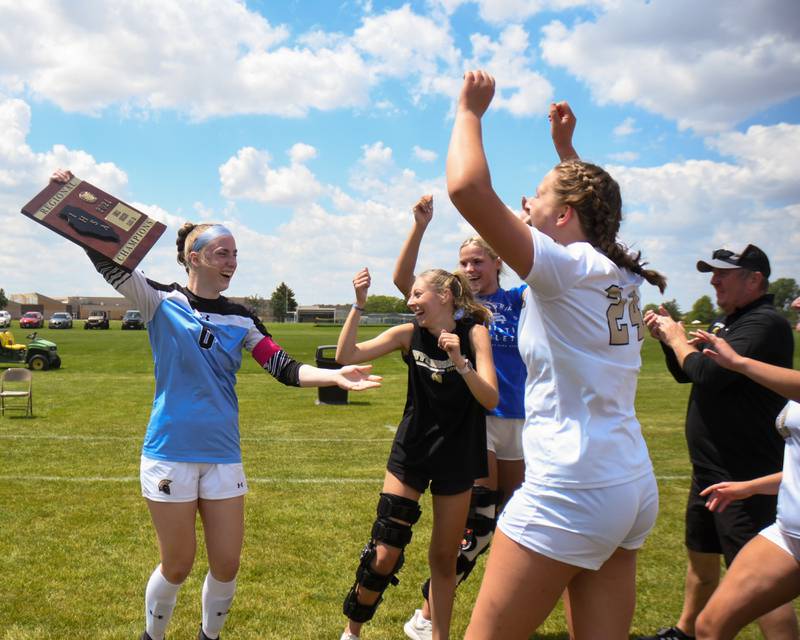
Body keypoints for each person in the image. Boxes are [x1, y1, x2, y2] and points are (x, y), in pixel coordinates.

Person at [48, 169, 381, 640]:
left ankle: (209, 637)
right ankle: (153, 636)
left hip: (223, 454)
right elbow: (109, 259)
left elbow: (283, 366)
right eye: (223, 253)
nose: (232, 262)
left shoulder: (241, 318)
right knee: (178, 564)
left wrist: (335, 374)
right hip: (170, 451)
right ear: (194, 258)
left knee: (227, 564)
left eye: (235, 254)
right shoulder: (159, 300)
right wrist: (69, 195)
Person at [446, 70, 666, 639]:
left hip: (574, 484)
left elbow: (467, 190)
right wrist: (567, 155)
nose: (526, 203)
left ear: (564, 216)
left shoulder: (566, 268)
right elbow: (597, 219)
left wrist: (468, 110)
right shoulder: (615, 269)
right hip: (629, 483)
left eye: (538, 196)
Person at [641, 245, 796, 640]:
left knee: (763, 579)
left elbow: (710, 374)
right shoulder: (734, 322)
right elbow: (688, 373)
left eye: (723, 274)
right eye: (712, 273)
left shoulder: (763, 324)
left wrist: (678, 338)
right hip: (711, 467)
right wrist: (667, 336)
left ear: (754, 280)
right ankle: (686, 629)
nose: (714, 280)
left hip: (745, 470)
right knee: (702, 555)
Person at [336, 265, 498, 640]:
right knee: (384, 548)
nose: (410, 302)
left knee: (444, 560)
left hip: (457, 456)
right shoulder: (409, 333)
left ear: (443, 296)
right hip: (412, 449)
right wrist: (358, 305)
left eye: (417, 295)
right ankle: (352, 632)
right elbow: (346, 355)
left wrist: (461, 363)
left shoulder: (475, 334)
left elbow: (490, 398)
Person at [391, 194, 527, 640]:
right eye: (463, 263)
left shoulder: (519, 299)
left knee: (510, 518)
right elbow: (403, 280)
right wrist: (419, 225)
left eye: (478, 262)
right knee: (482, 521)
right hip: (478, 422)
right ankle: (430, 612)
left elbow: (546, 274)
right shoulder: (461, 312)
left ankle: (495, 606)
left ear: (497, 263)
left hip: (521, 420)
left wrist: (529, 227)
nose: (470, 269)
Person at [686, 329, 800, 639]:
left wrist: (739, 363)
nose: (796, 303)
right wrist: (749, 487)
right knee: (710, 625)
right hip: (789, 536)